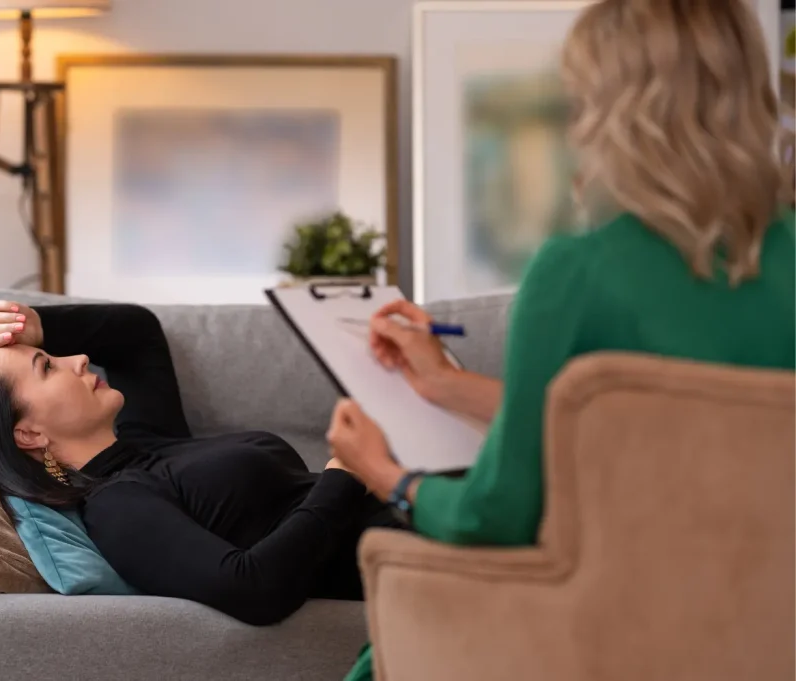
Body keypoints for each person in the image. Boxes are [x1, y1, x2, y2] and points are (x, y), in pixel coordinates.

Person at [325, 0, 795, 678]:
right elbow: (657, 422)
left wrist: (387, 475)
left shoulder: (577, 272)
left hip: (606, 636)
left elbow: (497, 517)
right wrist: (445, 383)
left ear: (607, 110)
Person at [0, 301, 404, 626]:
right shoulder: (118, 507)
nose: (78, 359)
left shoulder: (144, 440)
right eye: (48, 366)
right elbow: (254, 589)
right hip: (409, 550)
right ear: (29, 434)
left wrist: (38, 325)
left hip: (414, 503)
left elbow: (137, 333)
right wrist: (346, 472)